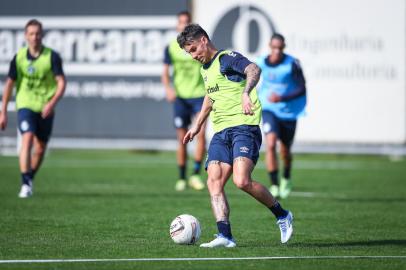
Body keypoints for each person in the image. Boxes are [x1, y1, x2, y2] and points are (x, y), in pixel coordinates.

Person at [178, 24, 293, 248]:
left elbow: (254, 70)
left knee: (242, 181)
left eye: (193, 50)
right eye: (188, 53)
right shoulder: (205, 69)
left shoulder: (227, 58)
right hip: (221, 131)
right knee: (214, 181)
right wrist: (198, 126)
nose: (192, 56)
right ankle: (225, 236)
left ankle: (282, 215)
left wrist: (245, 93)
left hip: (244, 127)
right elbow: (210, 97)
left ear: (203, 40)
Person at [0, 19, 66, 198]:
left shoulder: (52, 57)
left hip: (45, 107)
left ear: (42, 35)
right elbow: (9, 85)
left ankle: (28, 179)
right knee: (27, 138)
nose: (34, 37)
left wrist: (51, 103)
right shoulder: (19, 58)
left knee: (40, 149)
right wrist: (3, 111)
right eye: (31, 33)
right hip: (26, 104)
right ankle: (25, 183)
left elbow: (61, 83)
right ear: (25, 36)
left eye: (37, 33)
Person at [256, 33, 307, 199]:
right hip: (269, 108)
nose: (277, 51)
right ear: (269, 46)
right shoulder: (261, 62)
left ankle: (286, 177)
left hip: (288, 111)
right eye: (274, 47)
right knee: (270, 144)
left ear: (283, 47)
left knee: (285, 151)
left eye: (280, 48)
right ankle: (274, 184)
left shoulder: (292, 64)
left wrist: (282, 98)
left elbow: (302, 88)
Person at [161, 11, 206, 192]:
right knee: (181, 138)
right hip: (181, 97)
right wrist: (168, 89)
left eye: (187, 22)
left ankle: (195, 174)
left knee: (201, 134)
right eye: (181, 22)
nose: (184, 25)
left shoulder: (198, 46)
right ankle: (181, 177)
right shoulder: (171, 47)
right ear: (177, 25)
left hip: (199, 95)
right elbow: (165, 72)